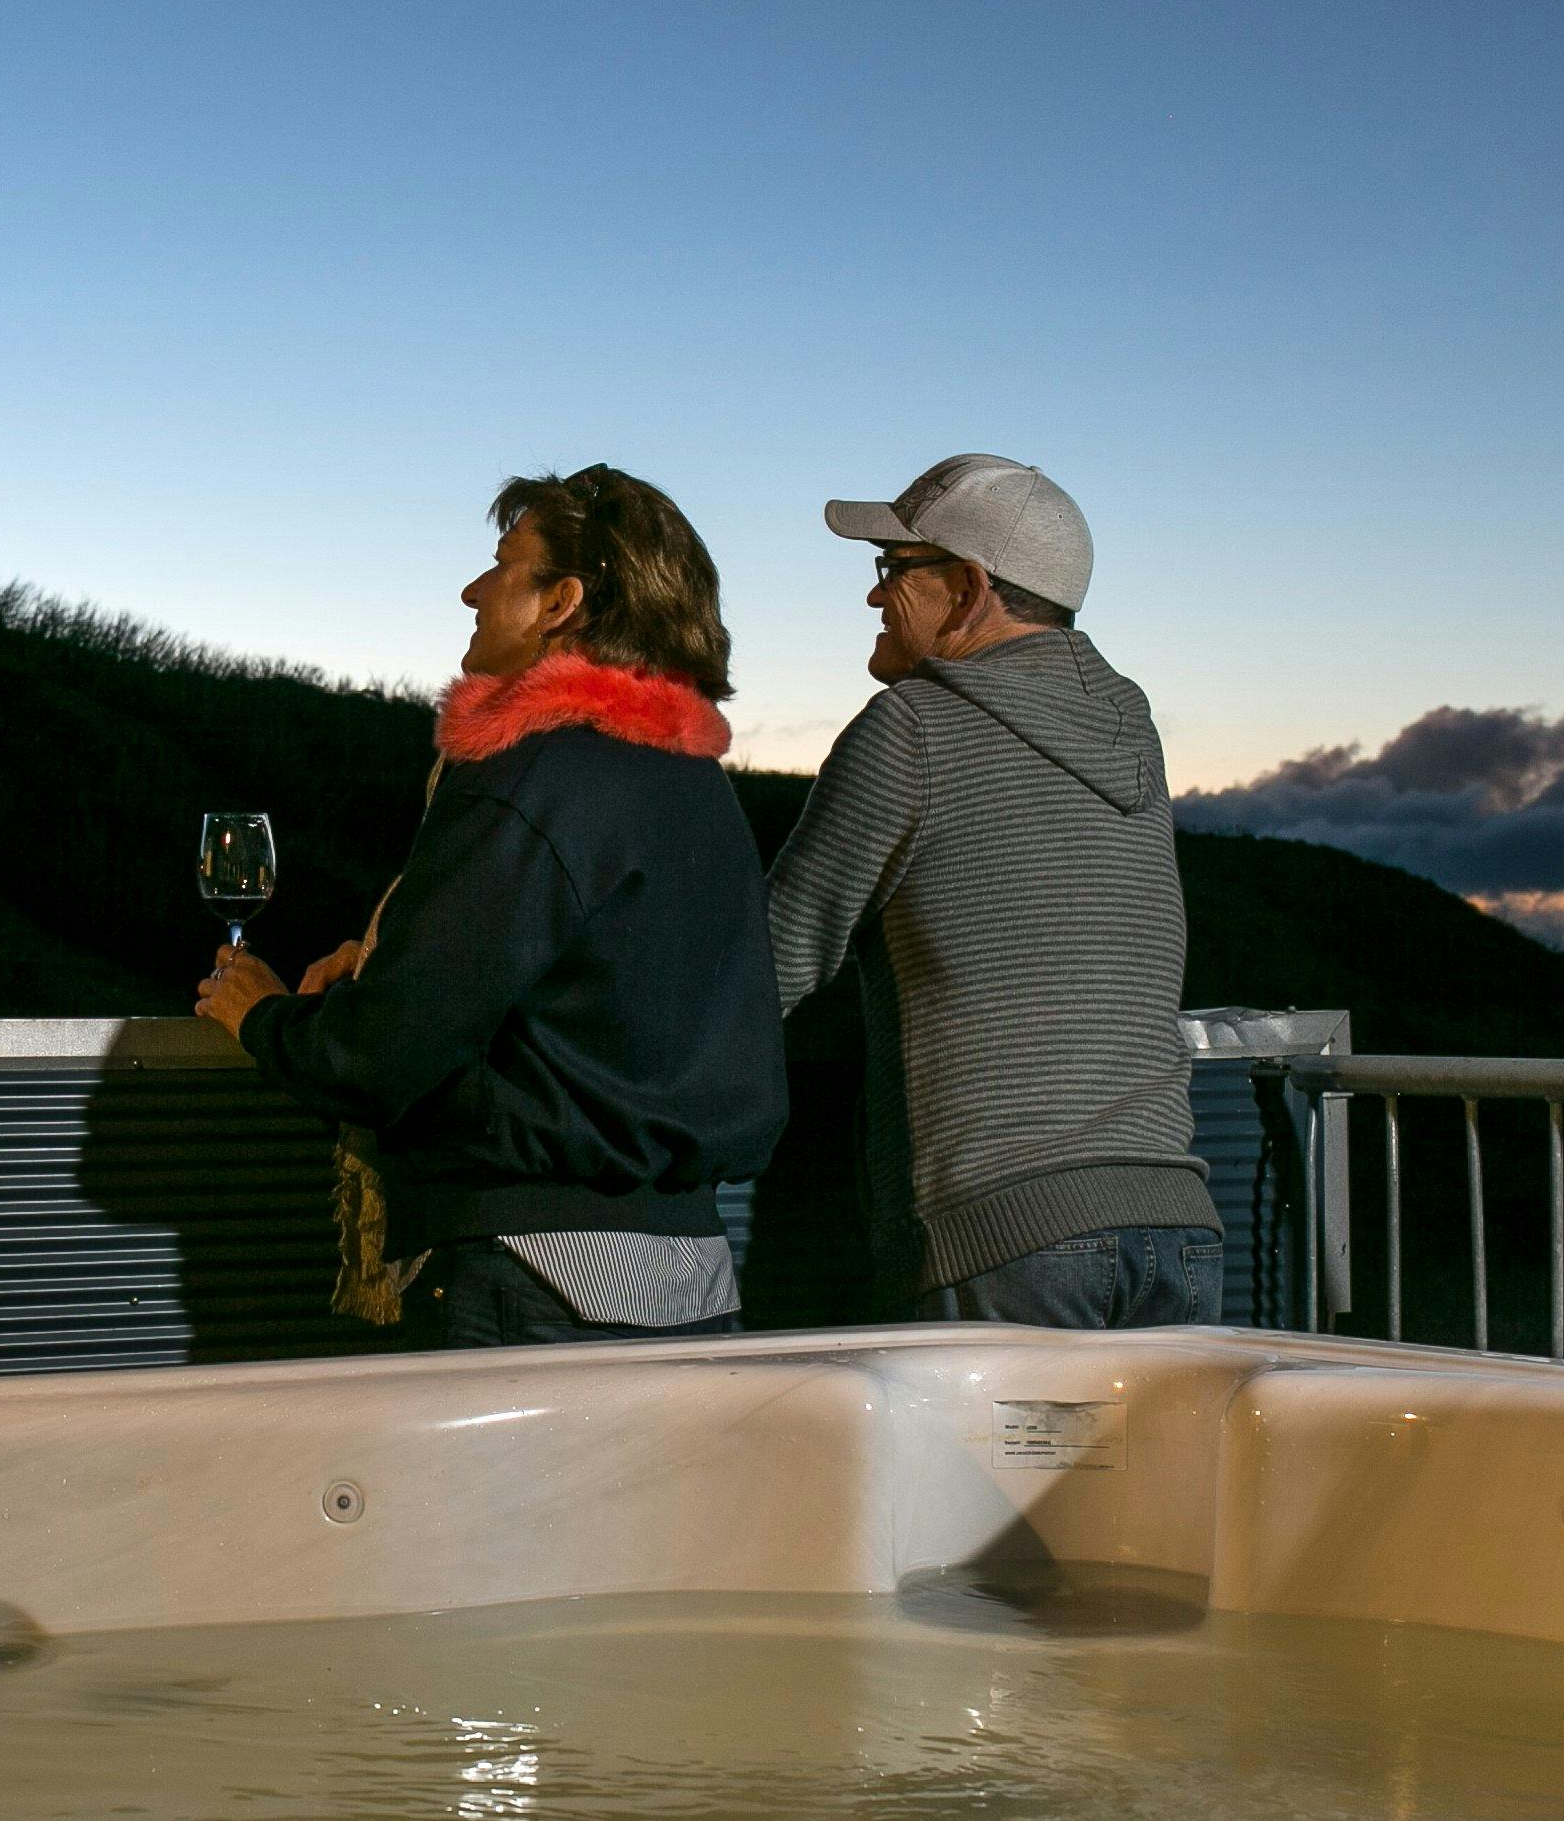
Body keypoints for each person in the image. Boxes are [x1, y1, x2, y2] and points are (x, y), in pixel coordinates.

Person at [196, 467, 786, 1349]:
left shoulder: (534, 776)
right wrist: (395, 948)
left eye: (503, 564)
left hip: (532, 1271)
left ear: (562, 603)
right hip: (689, 1272)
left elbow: (384, 1053)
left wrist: (265, 1019)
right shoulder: (691, 784)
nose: (473, 589)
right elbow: (615, 992)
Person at [764, 454, 1221, 1328]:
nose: (872, 599)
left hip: (1005, 1236)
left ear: (968, 589)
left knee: (966, 1475)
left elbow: (767, 966)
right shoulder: (1130, 730)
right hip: (1177, 1231)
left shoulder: (910, 728)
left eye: (891, 572)